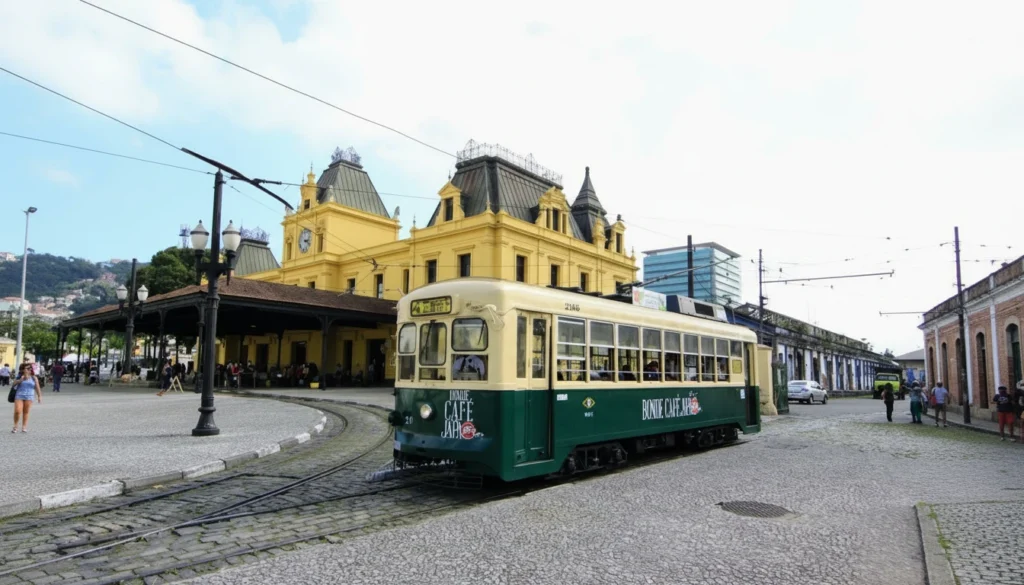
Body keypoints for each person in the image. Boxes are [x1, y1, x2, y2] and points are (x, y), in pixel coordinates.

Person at [12, 363, 41, 433]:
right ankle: (15, 426)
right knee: (17, 411)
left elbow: (37, 387)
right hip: (19, 396)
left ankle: (24, 426)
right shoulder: (19, 376)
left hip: (29, 396)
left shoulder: (34, 377)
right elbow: (13, 384)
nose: (29, 370)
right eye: (27, 368)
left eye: (30, 368)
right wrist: (20, 380)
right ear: (22, 370)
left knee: (26, 412)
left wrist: (39, 396)